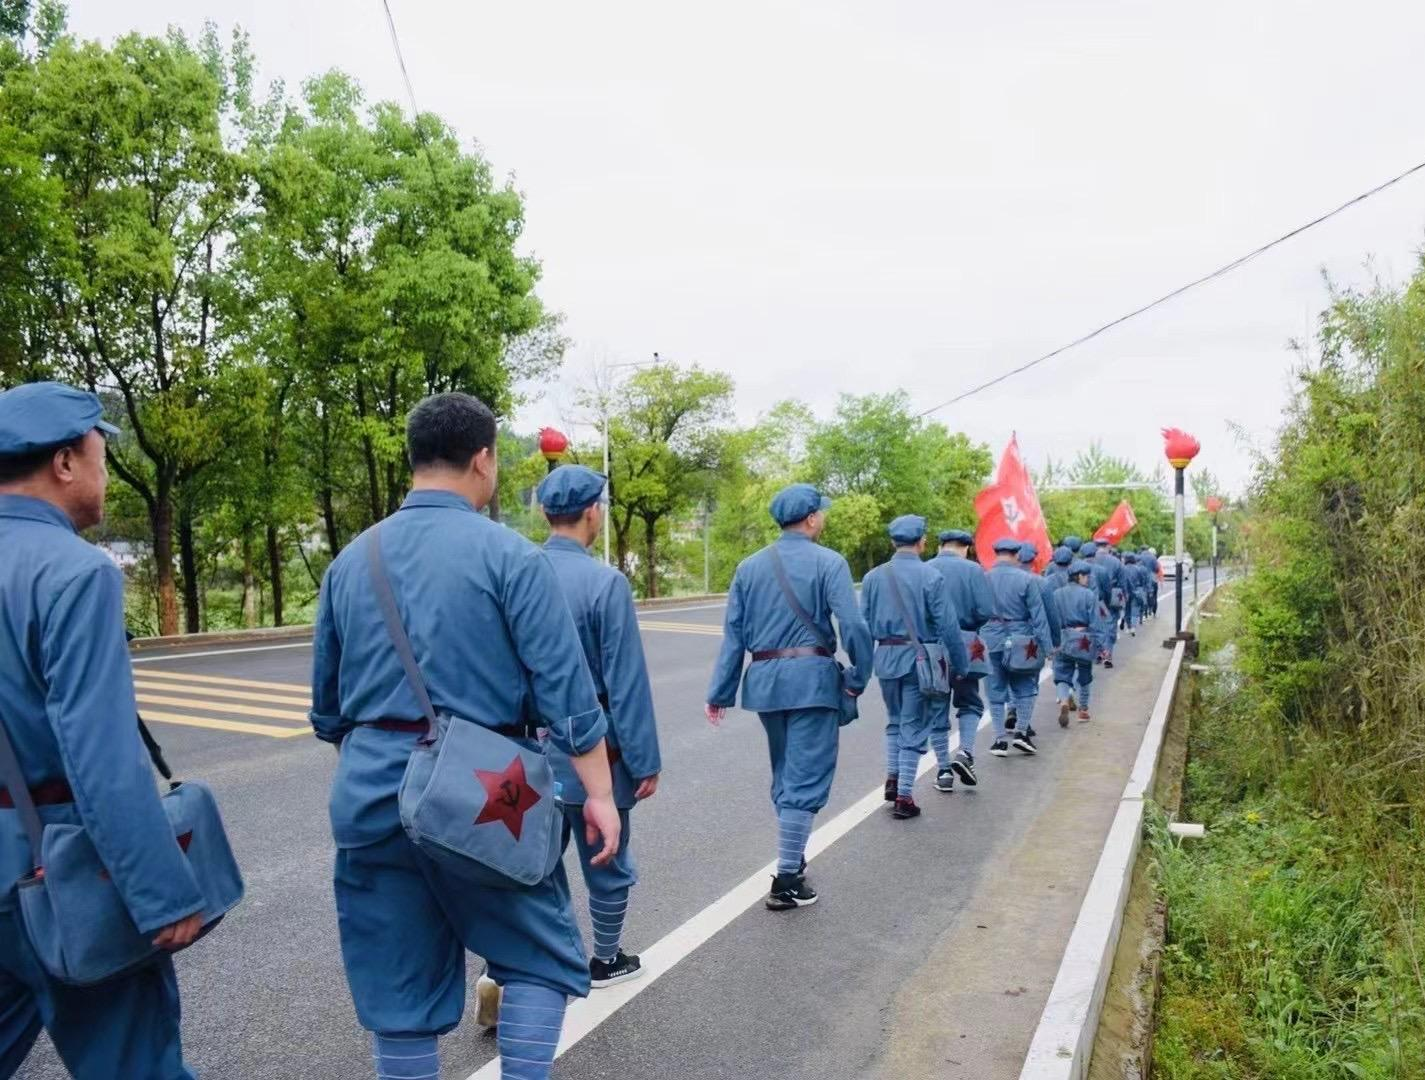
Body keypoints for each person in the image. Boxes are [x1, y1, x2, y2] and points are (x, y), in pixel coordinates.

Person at [310, 392, 620, 1080]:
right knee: (537, 953)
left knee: (397, 982)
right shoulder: (511, 558)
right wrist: (597, 793)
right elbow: (567, 698)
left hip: (370, 791)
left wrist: (387, 764)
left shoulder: (348, 564)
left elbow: (328, 711)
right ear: (482, 459)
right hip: (488, 793)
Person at [0, 382, 207, 1080]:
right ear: (64, 462)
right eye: (99, 451)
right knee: (136, 1062)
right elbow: (101, 754)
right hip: (56, 867)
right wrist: (159, 892)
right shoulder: (74, 572)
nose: (103, 472)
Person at [706, 484, 872, 909]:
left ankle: (792, 861)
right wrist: (858, 675)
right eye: (823, 513)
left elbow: (734, 637)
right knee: (805, 777)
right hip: (812, 682)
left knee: (786, 773)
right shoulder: (830, 563)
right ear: (812, 518)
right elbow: (852, 625)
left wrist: (720, 692)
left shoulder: (749, 567)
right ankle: (786, 879)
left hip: (765, 683)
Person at [537, 465, 661, 989]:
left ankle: (529, 964)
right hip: (597, 754)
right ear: (594, 511)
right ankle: (605, 958)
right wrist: (644, 760)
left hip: (527, 750)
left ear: (545, 513)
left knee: (534, 864)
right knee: (606, 856)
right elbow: (626, 684)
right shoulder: (606, 583)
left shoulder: (518, 572)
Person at [861, 516, 968, 818]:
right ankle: (904, 797)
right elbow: (948, 626)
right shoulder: (931, 576)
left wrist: (862, 665)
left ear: (893, 542)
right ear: (921, 542)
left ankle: (893, 776)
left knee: (894, 720)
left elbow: (862, 625)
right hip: (920, 661)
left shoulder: (872, 578)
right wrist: (959, 665)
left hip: (885, 658)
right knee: (915, 725)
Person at [927, 529, 994, 791]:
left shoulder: (926, 568)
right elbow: (986, 610)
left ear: (941, 544)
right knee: (970, 702)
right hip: (966, 642)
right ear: (965, 547)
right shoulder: (973, 569)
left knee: (936, 708)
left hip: (933, 646)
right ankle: (965, 752)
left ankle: (943, 771)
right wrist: (970, 628)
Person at [982, 537, 1053, 757]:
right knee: (1025, 688)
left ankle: (999, 739)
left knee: (995, 691)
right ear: (1015, 555)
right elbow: (1038, 616)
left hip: (990, 639)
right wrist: (1047, 646)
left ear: (996, 554)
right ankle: (1021, 732)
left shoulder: (983, 578)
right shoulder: (1027, 580)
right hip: (1022, 641)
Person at [1051, 561, 1099, 726]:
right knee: (1085, 675)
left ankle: (1064, 701)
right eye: (1086, 576)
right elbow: (1095, 621)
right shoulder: (1089, 595)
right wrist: (1100, 645)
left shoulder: (1057, 594)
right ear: (1079, 576)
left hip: (1063, 637)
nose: (1087, 579)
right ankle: (1083, 710)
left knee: (1062, 675)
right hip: (1083, 638)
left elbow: (1053, 620)